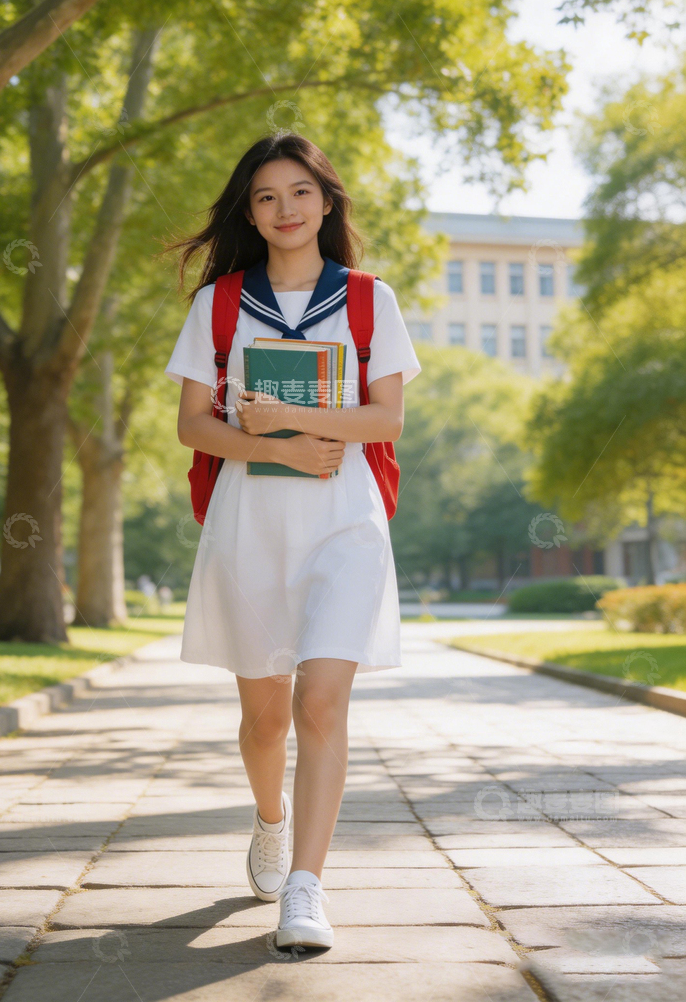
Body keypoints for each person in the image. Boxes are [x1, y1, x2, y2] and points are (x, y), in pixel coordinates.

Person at [164, 133, 420, 950]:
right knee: (266, 717)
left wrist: (295, 418)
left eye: (301, 192)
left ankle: (305, 889)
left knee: (320, 701)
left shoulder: (370, 299)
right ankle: (270, 819)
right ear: (249, 212)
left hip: (345, 522)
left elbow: (387, 419)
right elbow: (192, 425)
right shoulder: (220, 305)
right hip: (252, 523)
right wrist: (275, 447)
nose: (285, 209)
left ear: (327, 201)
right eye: (267, 196)